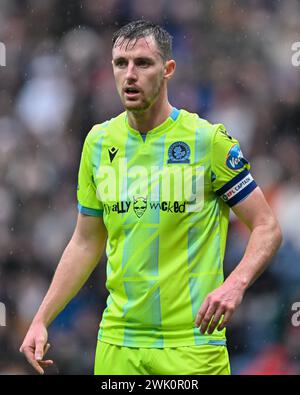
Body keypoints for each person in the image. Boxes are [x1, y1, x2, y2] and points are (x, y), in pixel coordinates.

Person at [20, 20, 282, 375]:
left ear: (168, 70)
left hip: (191, 345)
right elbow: (85, 241)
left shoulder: (207, 141)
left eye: (143, 63)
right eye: (120, 63)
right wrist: (41, 318)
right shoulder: (98, 143)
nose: (130, 75)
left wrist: (235, 284)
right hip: (117, 344)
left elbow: (267, 226)